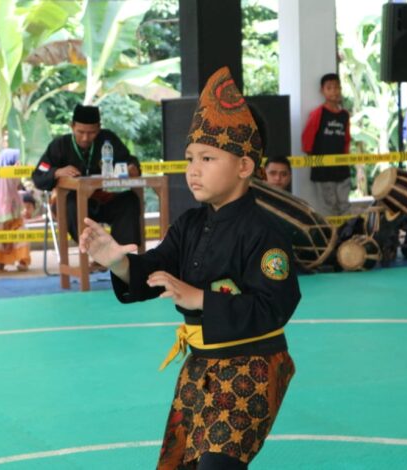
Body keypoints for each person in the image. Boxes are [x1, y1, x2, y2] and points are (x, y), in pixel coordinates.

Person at [80, 67, 299, 470]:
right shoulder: (190, 225)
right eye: (190, 159)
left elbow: (274, 307)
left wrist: (199, 298)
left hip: (253, 366)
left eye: (208, 158)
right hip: (200, 366)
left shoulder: (266, 233)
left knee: (217, 465)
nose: (193, 169)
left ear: (245, 166)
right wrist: (116, 259)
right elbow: (151, 273)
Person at [31, 104, 142, 247]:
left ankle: (122, 254)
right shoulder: (60, 145)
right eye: (80, 132)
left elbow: (129, 161)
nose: (85, 138)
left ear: (99, 128)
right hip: (73, 203)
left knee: (129, 200)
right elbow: (39, 175)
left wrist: (133, 168)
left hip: (103, 200)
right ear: (72, 126)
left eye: (92, 133)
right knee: (70, 204)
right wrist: (57, 172)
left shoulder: (108, 140)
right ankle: (97, 251)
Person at [302, 73, 352, 216]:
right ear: (322, 91)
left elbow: (346, 138)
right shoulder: (319, 113)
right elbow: (308, 136)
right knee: (329, 205)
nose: (334, 91)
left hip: (342, 167)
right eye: (329, 88)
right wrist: (312, 157)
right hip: (323, 169)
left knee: (344, 203)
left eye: (336, 87)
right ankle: (333, 236)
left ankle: (348, 233)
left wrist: (346, 157)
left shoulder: (344, 115)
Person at [0, 149, 31, 272]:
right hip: (3, 211)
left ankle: (21, 262)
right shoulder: (4, 174)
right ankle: (2, 264)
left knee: (18, 236)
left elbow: (14, 188)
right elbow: (4, 195)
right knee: (1, 239)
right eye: (15, 159)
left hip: (8, 210)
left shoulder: (9, 172)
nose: (18, 162)